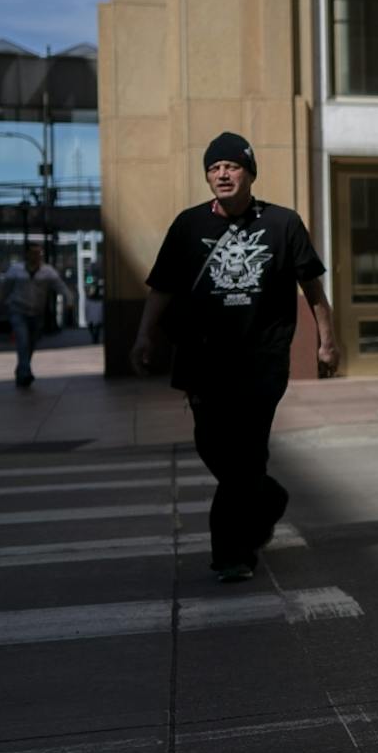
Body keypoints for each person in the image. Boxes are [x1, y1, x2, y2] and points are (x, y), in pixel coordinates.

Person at [132, 133, 340, 582]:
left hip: (261, 360)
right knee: (213, 446)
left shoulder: (283, 224)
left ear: (249, 173)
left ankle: (232, 554)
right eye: (213, 168)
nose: (222, 174)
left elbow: (313, 288)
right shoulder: (188, 226)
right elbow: (162, 288)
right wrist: (144, 337)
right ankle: (268, 500)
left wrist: (326, 340)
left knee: (244, 454)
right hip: (203, 359)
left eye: (231, 166)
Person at [0, 243, 64, 388]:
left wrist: (69, 299)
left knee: (31, 343)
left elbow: (60, 285)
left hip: (37, 313)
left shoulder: (47, 271)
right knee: (23, 340)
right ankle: (25, 372)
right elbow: (4, 290)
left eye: (39, 253)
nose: (37, 256)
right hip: (18, 311)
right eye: (34, 253)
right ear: (27, 255)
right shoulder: (15, 271)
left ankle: (21, 369)